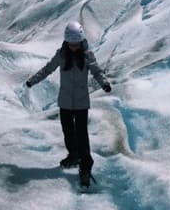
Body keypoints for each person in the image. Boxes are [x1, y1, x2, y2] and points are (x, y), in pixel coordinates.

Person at [25, 21, 112, 187]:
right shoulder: (61, 54)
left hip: (81, 103)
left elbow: (96, 71)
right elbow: (47, 69)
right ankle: (73, 155)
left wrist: (105, 84)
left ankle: (85, 167)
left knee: (82, 135)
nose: (73, 47)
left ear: (81, 41)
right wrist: (32, 81)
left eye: (76, 44)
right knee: (67, 131)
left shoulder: (87, 55)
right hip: (65, 101)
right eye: (71, 44)